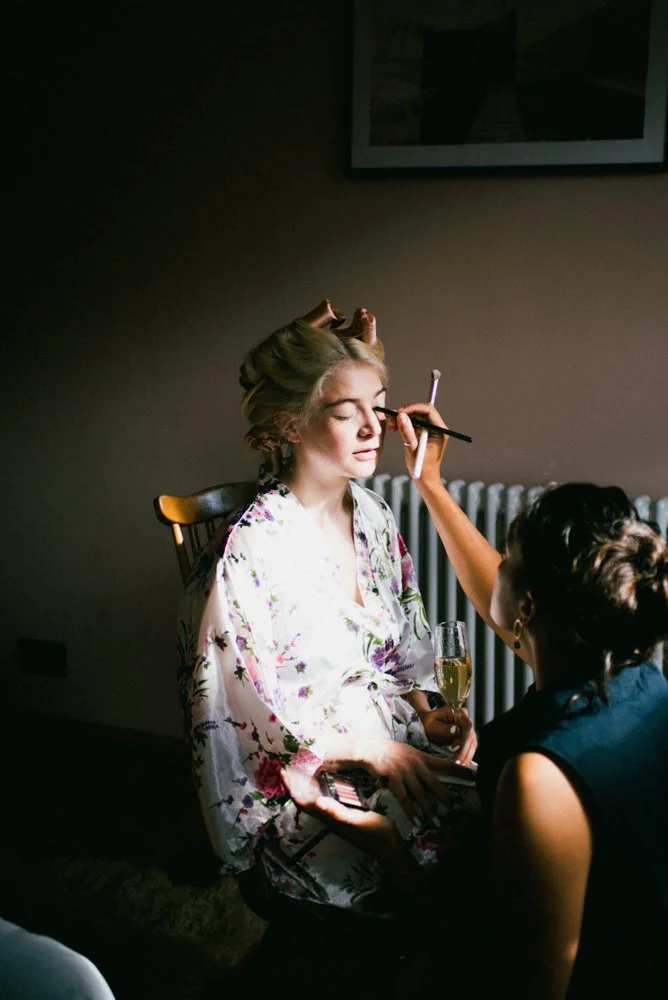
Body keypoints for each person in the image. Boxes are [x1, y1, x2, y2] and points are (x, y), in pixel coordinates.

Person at [286, 402, 668, 1000]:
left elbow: (513, 982)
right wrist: (430, 485)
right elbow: (499, 593)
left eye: (507, 559)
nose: (498, 568)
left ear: (533, 606)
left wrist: (387, 846)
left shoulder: (543, 778)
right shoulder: (632, 672)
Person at [177, 301, 478, 929]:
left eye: (380, 405)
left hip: (391, 749)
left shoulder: (373, 516)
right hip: (305, 792)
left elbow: (404, 651)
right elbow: (243, 723)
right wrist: (370, 750)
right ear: (291, 424)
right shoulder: (251, 550)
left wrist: (431, 713)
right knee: (456, 881)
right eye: (347, 413)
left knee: (503, 830)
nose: (374, 427)